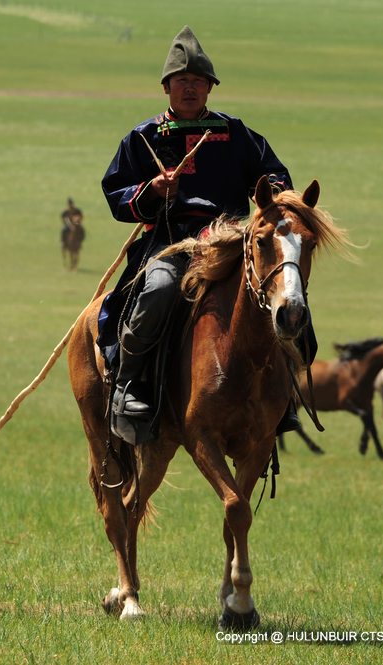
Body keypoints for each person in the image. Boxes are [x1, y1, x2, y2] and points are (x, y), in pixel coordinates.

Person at [101, 26, 309, 443]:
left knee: (287, 291)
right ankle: (129, 384)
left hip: (230, 242)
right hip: (171, 241)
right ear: (166, 87)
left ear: (210, 88)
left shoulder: (233, 133)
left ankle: (282, 392)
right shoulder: (143, 138)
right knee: (158, 289)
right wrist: (151, 191)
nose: (190, 88)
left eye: (198, 82)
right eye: (182, 81)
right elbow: (115, 193)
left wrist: (267, 191)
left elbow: (275, 173)